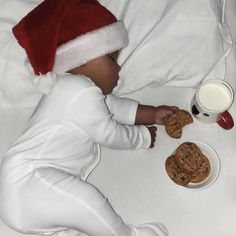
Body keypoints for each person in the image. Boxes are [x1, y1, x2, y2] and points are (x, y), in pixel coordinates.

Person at [0, 0, 176, 235]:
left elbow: (115, 107)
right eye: (112, 59)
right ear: (80, 59)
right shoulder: (79, 91)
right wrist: (142, 137)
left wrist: (152, 114)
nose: (119, 69)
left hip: (31, 193)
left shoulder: (80, 92)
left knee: (75, 209)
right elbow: (109, 133)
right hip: (28, 183)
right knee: (88, 202)